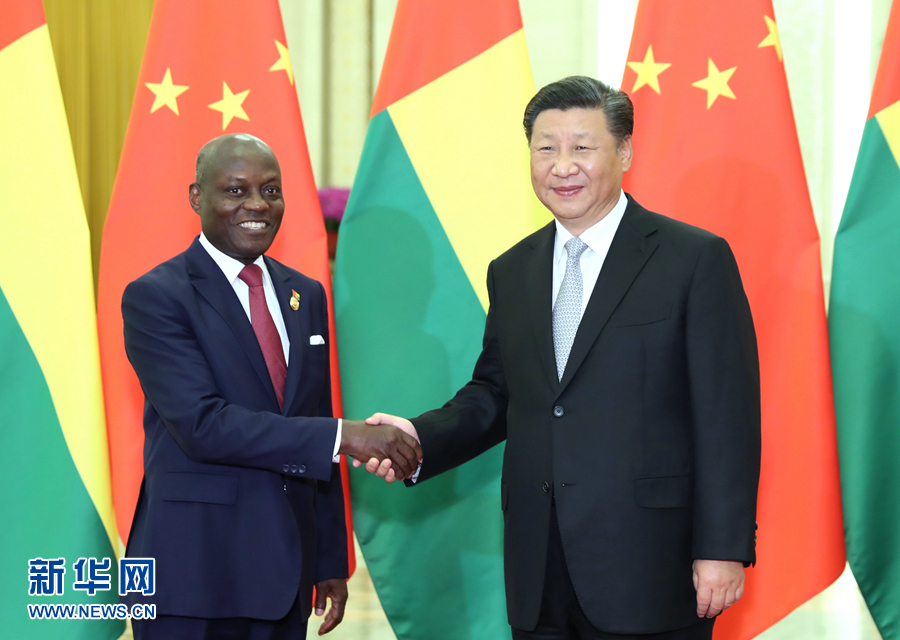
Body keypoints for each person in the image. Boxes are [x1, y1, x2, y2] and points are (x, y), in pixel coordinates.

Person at [366, 77, 761, 639]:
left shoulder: (693, 259)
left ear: (624, 152)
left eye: (582, 146)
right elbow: (497, 393)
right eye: (546, 148)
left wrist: (722, 548)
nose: (562, 166)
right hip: (538, 565)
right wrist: (417, 438)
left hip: (651, 563)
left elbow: (727, 418)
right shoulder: (513, 269)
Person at [121, 133, 422, 640]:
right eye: (236, 191)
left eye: (271, 190)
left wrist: (329, 557)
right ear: (197, 197)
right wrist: (345, 435)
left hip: (285, 570)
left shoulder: (305, 294)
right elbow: (203, 425)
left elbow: (312, 418)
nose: (257, 204)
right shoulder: (157, 297)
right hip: (194, 569)